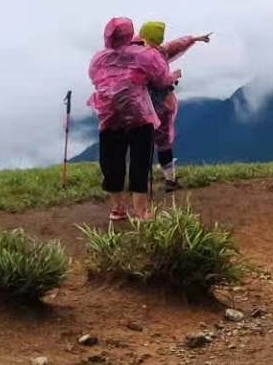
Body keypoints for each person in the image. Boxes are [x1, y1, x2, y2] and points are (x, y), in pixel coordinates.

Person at [86, 17, 172, 223]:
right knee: (140, 163)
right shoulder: (146, 56)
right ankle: (141, 211)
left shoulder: (98, 58)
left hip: (109, 116)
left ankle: (118, 207)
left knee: (110, 164)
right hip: (140, 116)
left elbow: (94, 79)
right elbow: (161, 79)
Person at [135, 22, 211, 191]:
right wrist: (174, 75)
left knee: (140, 141)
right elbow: (161, 80)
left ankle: (137, 179)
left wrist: (194, 39)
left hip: (137, 106)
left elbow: (176, 44)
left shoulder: (133, 53)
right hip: (160, 104)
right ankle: (170, 179)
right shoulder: (159, 54)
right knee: (162, 142)